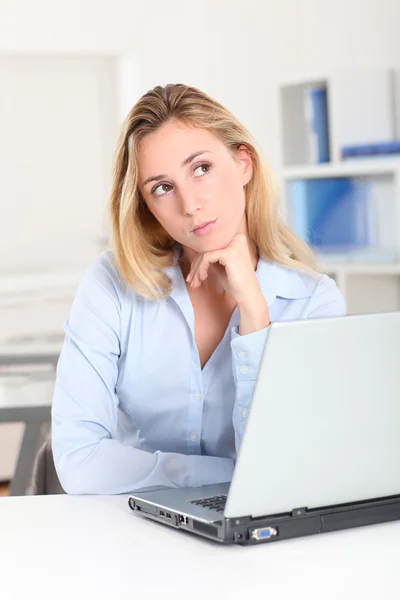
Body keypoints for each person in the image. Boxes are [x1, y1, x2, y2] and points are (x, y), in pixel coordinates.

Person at [51, 83, 346, 495]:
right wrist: (221, 474)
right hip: (133, 530)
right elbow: (79, 460)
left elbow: (297, 470)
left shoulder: (313, 302)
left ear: (244, 163)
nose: (189, 204)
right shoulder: (112, 284)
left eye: (201, 168)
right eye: (162, 187)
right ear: (146, 208)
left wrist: (255, 316)